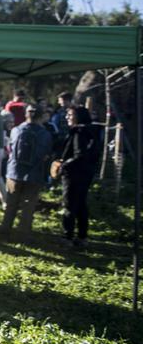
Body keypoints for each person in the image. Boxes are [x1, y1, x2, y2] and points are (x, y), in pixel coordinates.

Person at [0, 105, 52, 241]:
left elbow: (10, 149)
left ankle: (4, 231)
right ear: (41, 116)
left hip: (14, 172)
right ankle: (23, 234)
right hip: (34, 174)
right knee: (28, 206)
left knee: (11, 204)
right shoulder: (45, 134)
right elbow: (45, 155)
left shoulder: (16, 130)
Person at [59, 106, 98, 247]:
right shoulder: (91, 131)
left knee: (69, 204)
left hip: (74, 174)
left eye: (70, 114)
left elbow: (79, 155)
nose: (67, 117)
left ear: (78, 116)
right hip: (86, 173)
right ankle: (82, 236)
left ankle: (67, 236)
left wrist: (63, 166)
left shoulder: (79, 132)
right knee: (81, 204)